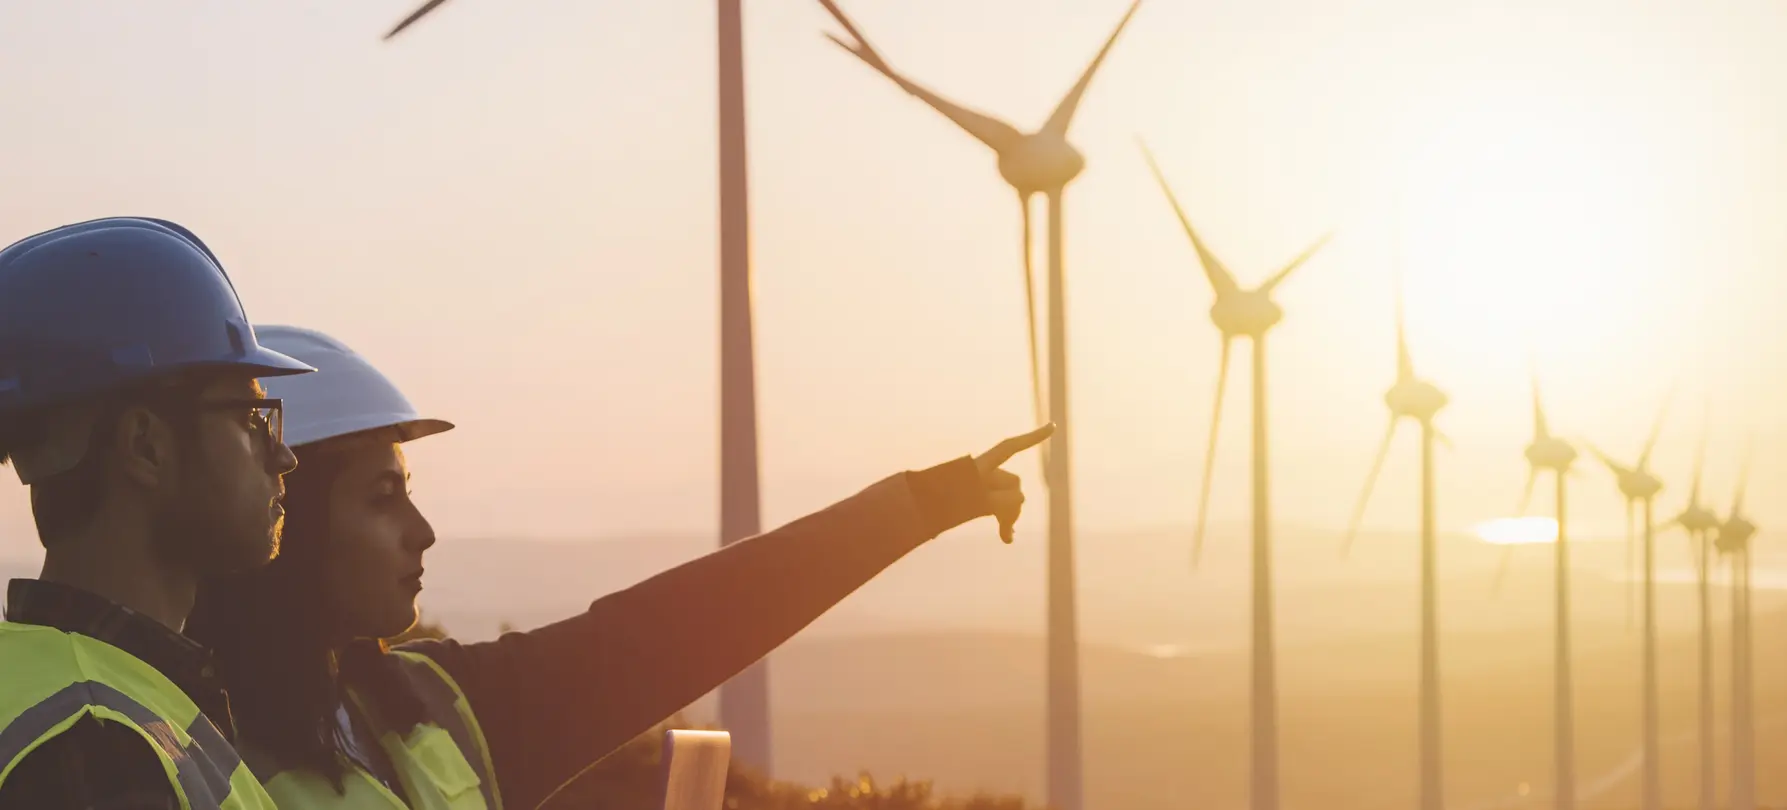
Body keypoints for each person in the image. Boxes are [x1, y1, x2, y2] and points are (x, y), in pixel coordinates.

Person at [185, 324, 1052, 809]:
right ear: (288, 519)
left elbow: (682, 626)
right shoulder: (175, 756)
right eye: (382, 499)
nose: (423, 532)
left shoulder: (435, 708)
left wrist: (926, 503)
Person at [0, 217, 316, 809]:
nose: (284, 456)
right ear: (146, 446)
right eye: (251, 419)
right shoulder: (98, 745)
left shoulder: (80, 697)